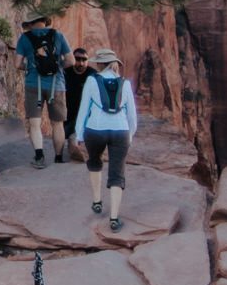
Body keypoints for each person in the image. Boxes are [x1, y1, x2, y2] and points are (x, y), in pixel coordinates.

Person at [78, 49, 138, 229]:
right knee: (117, 173)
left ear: (99, 64)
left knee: (95, 162)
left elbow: (84, 109)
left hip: (95, 129)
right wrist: (130, 134)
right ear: (114, 64)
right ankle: (113, 218)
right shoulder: (125, 83)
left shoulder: (91, 81)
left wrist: (79, 134)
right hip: (120, 131)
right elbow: (132, 115)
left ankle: (97, 201)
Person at [15, 15, 71, 168]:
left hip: (34, 84)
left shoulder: (25, 38)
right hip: (56, 85)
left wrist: (30, 67)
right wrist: (57, 67)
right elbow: (70, 60)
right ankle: (58, 158)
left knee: (34, 123)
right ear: (45, 22)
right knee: (57, 123)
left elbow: (17, 63)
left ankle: (39, 156)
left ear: (31, 24)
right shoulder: (58, 35)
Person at [62, 46, 93, 161]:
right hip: (67, 111)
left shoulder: (92, 75)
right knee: (65, 134)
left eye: (84, 60)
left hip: (85, 113)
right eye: (78, 59)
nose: (81, 63)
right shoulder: (66, 72)